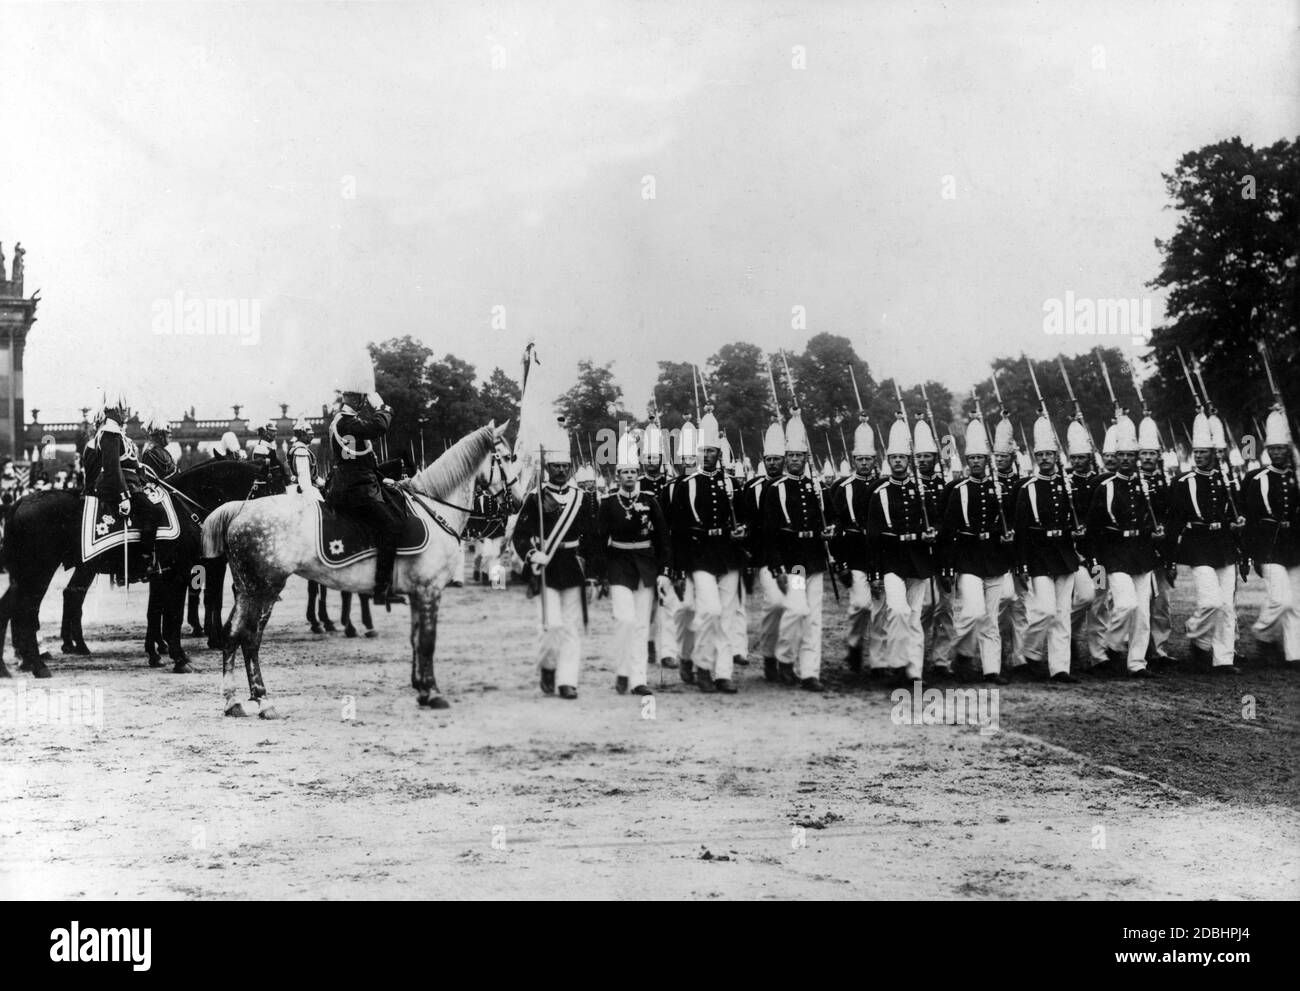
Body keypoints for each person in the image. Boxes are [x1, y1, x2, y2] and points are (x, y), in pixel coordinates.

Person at [511, 416, 598, 700]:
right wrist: (532, 554)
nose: (560, 471)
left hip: (573, 567)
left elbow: (592, 537)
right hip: (545, 568)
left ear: (569, 467)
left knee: (571, 628)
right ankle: (548, 667)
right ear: (547, 468)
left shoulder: (581, 498)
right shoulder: (535, 497)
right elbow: (520, 536)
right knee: (551, 626)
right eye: (556, 467)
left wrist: (593, 571)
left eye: (564, 467)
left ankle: (567, 680)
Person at [670, 405, 747, 693]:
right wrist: (677, 568)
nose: (707, 456)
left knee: (726, 614)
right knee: (710, 611)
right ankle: (701, 664)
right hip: (698, 553)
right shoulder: (687, 484)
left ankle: (723, 672)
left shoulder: (730, 484)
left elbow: (744, 516)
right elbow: (677, 529)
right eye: (703, 451)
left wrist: (742, 531)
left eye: (712, 451)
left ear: (718, 453)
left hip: (727, 552)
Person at [761, 407, 836, 692]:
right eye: (790, 456)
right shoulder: (776, 488)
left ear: (806, 458)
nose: (794, 460)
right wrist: (777, 566)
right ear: (785, 459)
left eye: (799, 456)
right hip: (792, 560)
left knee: (814, 616)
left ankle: (809, 672)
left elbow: (833, 515)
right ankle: (784, 658)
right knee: (796, 609)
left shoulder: (816, 487)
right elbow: (770, 532)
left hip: (814, 556)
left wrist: (832, 529)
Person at [1165, 412, 1243, 673]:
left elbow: (1237, 512)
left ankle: (1224, 659)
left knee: (1227, 606)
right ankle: (1197, 636)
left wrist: (1238, 523)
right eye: (1196, 452)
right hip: (1197, 546)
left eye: (1204, 452)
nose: (1199, 456)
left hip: (1224, 544)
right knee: (1211, 602)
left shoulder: (1226, 481)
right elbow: (1173, 522)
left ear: (1213, 453)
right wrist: (1170, 557)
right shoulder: (1182, 482)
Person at [1087, 414, 1162, 678]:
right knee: (1126, 604)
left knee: (1142, 612)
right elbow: (1093, 529)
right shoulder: (1104, 487)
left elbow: (1156, 516)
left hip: (1142, 553)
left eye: (1132, 455)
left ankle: (1137, 662)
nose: (1128, 460)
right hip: (1114, 554)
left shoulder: (1145, 486)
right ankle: (1113, 643)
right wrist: (1095, 562)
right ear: (1116, 458)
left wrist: (1157, 532)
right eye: (1123, 455)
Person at [941, 418, 1013, 684]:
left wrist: (1008, 537)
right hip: (967, 558)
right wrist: (948, 566)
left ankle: (991, 669)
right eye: (971, 458)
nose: (975, 463)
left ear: (987, 460)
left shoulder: (1001, 489)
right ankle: (953, 654)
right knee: (973, 611)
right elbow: (948, 532)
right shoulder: (957, 490)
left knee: (991, 618)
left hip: (994, 558)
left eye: (980, 458)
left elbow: (1011, 521)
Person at [597, 431, 669, 696]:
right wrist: (599, 575)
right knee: (625, 620)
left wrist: (664, 571)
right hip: (618, 565)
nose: (628, 476)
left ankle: (638, 679)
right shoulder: (608, 504)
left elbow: (662, 538)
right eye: (624, 472)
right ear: (617, 476)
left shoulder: (650, 500)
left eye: (632, 472)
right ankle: (622, 670)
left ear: (637, 474)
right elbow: (599, 540)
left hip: (646, 566)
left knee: (641, 624)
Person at [866, 413, 937, 686]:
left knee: (915, 616)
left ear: (909, 461)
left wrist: (931, 534)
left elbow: (935, 522)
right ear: (888, 460)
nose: (898, 462)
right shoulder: (879, 492)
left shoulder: (921, 491)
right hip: (890, 560)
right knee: (897, 610)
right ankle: (896, 663)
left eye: (902, 458)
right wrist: (874, 574)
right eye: (893, 458)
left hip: (917, 559)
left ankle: (914, 671)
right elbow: (872, 538)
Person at [1014, 414, 1083, 683]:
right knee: (1045, 610)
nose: (1044, 458)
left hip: (1064, 554)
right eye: (1040, 454)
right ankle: (1029, 652)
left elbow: (1077, 517)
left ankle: (1060, 668)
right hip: (1038, 556)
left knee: (1062, 614)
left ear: (1056, 456)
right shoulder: (1028, 488)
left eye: (1049, 454)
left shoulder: (1068, 486)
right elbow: (1020, 532)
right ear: (1034, 456)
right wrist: (1021, 565)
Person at [326, 384, 404, 604]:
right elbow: (378, 427)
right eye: (362, 399)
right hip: (355, 489)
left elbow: (361, 459)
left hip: (358, 482)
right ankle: (381, 590)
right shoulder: (346, 421)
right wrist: (381, 406)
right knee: (391, 526)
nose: (363, 403)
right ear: (358, 400)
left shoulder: (345, 421)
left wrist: (383, 478)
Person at [84, 391, 165, 578]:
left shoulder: (118, 434)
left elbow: (129, 463)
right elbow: (112, 468)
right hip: (119, 488)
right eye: (122, 409)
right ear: (112, 410)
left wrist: (143, 471)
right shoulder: (110, 432)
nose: (126, 412)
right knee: (154, 512)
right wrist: (123, 496)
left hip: (131, 485)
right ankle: (142, 562)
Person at [1244, 408, 1300, 666]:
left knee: (1297, 604)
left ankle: (1294, 652)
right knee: (1281, 599)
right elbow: (1251, 518)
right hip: (1269, 546)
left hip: (1295, 546)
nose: (1278, 453)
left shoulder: (1296, 476)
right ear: (1267, 450)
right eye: (1273, 448)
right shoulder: (1258, 478)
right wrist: (1251, 553)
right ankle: (1264, 634)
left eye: (1282, 448)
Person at [832, 413, 884, 675]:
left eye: (868, 459)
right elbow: (836, 526)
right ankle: (853, 644)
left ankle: (878, 661)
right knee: (861, 605)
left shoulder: (883, 485)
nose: (864, 463)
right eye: (860, 459)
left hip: (880, 555)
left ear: (875, 460)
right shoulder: (843, 487)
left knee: (880, 611)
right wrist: (839, 562)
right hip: (855, 555)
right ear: (854, 461)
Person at [745, 413, 789, 681]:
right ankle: (770, 656)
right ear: (764, 461)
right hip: (765, 558)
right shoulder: (753, 488)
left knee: (795, 607)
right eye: (769, 459)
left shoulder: (795, 486)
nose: (773, 463)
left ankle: (788, 658)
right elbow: (747, 521)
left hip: (795, 558)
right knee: (774, 604)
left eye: (777, 459)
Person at [1138, 414, 1174, 664]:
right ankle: (1129, 648)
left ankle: (1159, 648)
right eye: (1144, 454)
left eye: (1152, 453)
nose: (1148, 458)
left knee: (1161, 602)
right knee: (1133, 603)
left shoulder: (1166, 482)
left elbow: (1173, 515)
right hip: (1136, 549)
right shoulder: (1131, 482)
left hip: (1160, 549)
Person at [250, 419, 287, 494]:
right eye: (272, 431)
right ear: (264, 432)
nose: (275, 433)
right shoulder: (259, 448)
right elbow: (261, 470)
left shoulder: (269, 448)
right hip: (266, 489)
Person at [139, 409, 177, 482]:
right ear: (160, 435)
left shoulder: (160, 451)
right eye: (168, 433)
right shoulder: (151, 453)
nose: (170, 435)